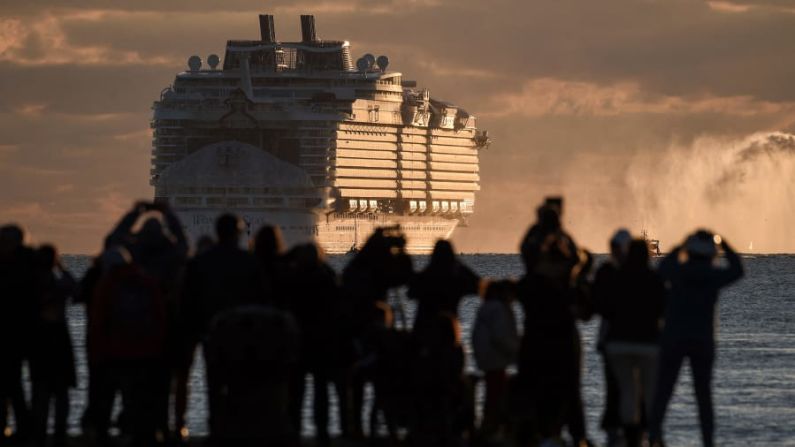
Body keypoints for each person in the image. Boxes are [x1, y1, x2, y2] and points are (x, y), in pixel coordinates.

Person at [649, 230, 743, 447]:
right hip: (702, 342)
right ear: (712, 255)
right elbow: (737, 270)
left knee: (663, 391)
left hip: (673, 339)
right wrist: (724, 243)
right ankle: (707, 441)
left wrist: (681, 244)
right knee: (703, 396)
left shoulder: (678, 272)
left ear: (689, 252)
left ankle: (654, 436)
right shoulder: (713, 276)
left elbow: (661, 268)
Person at [181, 213, 268, 439]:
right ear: (238, 233)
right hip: (241, 333)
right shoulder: (249, 261)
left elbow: (189, 299)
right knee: (240, 383)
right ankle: (239, 431)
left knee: (214, 383)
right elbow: (261, 297)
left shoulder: (199, 262)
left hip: (210, 333)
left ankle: (215, 429)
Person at [516, 204, 592, 446]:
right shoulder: (568, 285)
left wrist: (538, 229)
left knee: (532, 390)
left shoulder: (530, 283)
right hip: (564, 343)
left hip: (535, 342)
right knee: (571, 391)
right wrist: (562, 233)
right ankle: (578, 437)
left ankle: (533, 435)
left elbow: (526, 251)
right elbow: (581, 260)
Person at [340, 226, 413, 439]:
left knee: (355, 385)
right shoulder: (379, 271)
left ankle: (353, 428)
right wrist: (402, 250)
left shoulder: (353, 269)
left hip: (354, 332)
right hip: (375, 333)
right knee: (383, 384)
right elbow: (405, 277)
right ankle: (388, 428)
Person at [601, 239, 666, 447]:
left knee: (628, 391)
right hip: (648, 345)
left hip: (618, 345)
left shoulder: (616, 277)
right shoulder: (655, 279)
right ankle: (653, 435)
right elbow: (665, 308)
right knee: (650, 391)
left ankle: (630, 436)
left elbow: (605, 308)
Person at [283, 243, 342, 446]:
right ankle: (323, 432)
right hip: (321, 342)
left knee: (295, 391)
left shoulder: (291, 278)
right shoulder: (327, 277)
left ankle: (293, 431)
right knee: (321, 389)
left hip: (297, 342)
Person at [29, 245, 77, 447]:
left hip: (39, 341)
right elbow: (76, 289)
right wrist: (62, 267)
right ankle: (59, 433)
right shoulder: (60, 283)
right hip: (59, 340)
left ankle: (38, 433)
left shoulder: (31, 285)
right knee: (61, 393)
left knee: (40, 391)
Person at [591, 229, 632, 446]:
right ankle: (631, 433)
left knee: (613, 390)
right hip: (635, 344)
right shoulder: (640, 272)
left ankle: (614, 433)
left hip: (612, 343)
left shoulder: (605, 271)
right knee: (631, 391)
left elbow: (594, 305)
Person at [471, 280, 519, 440]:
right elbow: (501, 337)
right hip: (495, 360)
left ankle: (488, 428)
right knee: (497, 396)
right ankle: (492, 430)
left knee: (492, 394)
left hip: (486, 360)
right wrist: (517, 351)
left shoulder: (485, 308)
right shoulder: (498, 309)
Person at [0, 224, 35, 441]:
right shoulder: (30, 265)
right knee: (15, 386)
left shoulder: (10, 267)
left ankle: (15, 426)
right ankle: (24, 428)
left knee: (11, 385)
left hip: (11, 336)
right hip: (23, 336)